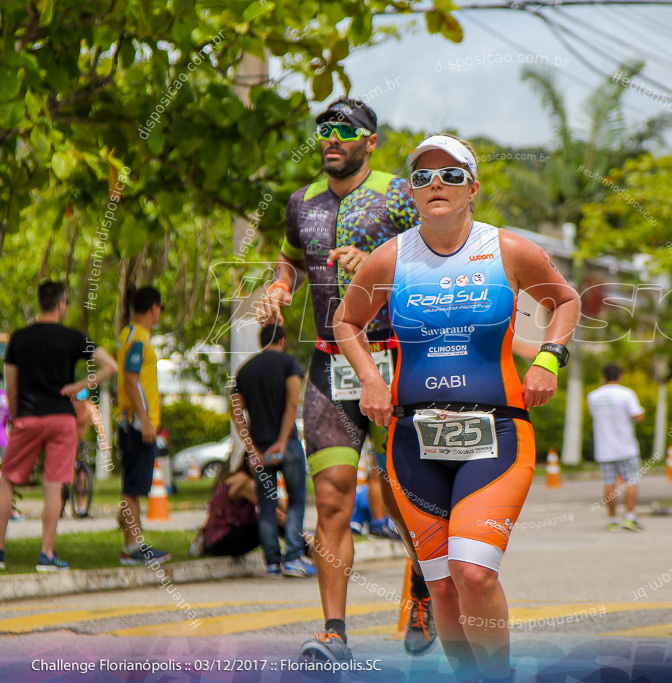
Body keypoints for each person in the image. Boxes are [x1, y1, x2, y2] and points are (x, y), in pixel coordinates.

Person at [333, 133, 580, 681]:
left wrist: (548, 360)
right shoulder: (391, 257)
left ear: (473, 187)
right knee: (441, 587)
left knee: (473, 575)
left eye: (449, 175)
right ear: (412, 194)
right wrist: (371, 380)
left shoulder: (507, 249)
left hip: (498, 433)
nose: (435, 184)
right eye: (422, 177)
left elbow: (566, 301)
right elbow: (345, 323)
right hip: (413, 440)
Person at [255, 98, 436, 659]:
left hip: (402, 360)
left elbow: (440, 255)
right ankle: (334, 632)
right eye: (324, 130)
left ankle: (424, 600)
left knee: (411, 500)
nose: (331, 138)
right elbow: (290, 259)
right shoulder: (300, 202)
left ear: (370, 141)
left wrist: (382, 259)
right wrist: (281, 287)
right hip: (332, 364)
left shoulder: (399, 194)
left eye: (343, 130)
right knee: (331, 499)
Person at [0, 281, 117, 571]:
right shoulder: (74, 338)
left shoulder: (19, 339)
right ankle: (46, 554)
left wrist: (16, 417)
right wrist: (78, 385)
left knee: (7, 481)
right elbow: (110, 366)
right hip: (61, 419)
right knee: (54, 486)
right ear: (62, 303)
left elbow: (11, 386)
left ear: (40, 302)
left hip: (27, 417)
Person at [230, 324, 312, 578]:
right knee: (297, 500)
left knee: (267, 504)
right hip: (286, 445)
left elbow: (235, 409)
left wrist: (251, 447)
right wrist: (283, 438)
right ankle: (294, 557)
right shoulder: (289, 363)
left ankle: (273, 563)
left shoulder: (246, 369)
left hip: (260, 448)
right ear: (284, 340)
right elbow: (292, 402)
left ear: (261, 341)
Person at [116, 285, 172, 566]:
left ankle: (134, 542)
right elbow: (130, 379)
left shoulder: (127, 334)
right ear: (154, 308)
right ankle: (132, 548)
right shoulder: (139, 338)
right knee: (133, 489)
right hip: (137, 425)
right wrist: (146, 420)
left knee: (134, 487)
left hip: (131, 422)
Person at [586, 363, 645, 531]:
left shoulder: (593, 396)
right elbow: (637, 416)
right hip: (626, 447)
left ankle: (612, 520)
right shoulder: (626, 393)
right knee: (631, 482)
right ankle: (630, 517)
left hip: (604, 448)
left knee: (609, 483)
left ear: (603, 377)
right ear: (620, 376)